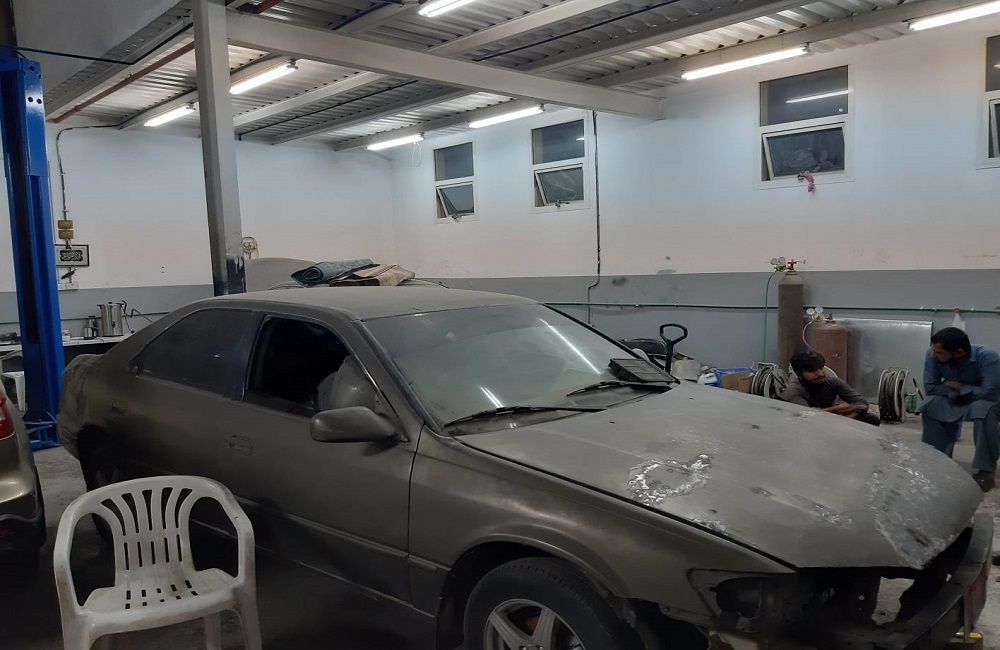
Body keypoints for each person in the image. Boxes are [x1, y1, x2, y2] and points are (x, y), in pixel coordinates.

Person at [917, 327, 1000, 491]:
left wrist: (960, 387)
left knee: (983, 411)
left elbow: (989, 393)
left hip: (986, 402)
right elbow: (931, 388)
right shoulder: (932, 355)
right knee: (931, 404)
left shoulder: (988, 357)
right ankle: (937, 461)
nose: (934, 355)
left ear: (959, 352)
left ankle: (985, 471)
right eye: (934, 351)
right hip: (956, 397)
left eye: (939, 353)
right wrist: (966, 390)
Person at [783, 351, 880, 426]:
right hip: (810, 425)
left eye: (821, 368)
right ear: (799, 374)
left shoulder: (833, 382)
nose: (820, 374)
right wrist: (836, 409)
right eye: (813, 371)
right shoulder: (794, 391)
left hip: (833, 420)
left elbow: (862, 403)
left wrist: (846, 420)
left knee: (871, 419)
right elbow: (805, 416)